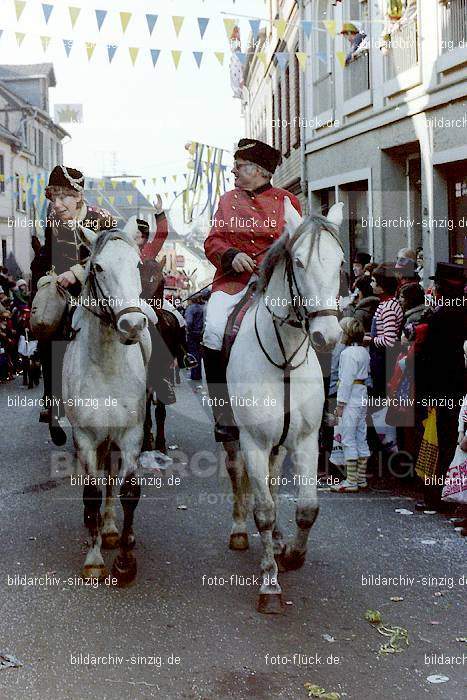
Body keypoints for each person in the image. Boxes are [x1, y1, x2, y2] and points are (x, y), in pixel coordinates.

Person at [202, 138, 302, 443]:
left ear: (259, 170)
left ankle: (313, 406)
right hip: (232, 282)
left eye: (240, 166)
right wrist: (231, 255)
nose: (234, 170)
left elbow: (297, 243)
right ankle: (224, 414)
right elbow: (213, 241)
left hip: (274, 283)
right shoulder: (227, 199)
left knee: (310, 322)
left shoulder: (288, 201)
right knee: (213, 330)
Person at [31, 165, 118, 445]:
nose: (56, 204)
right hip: (64, 291)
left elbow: (111, 258)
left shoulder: (101, 220)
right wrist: (46, 280)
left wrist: (78, 273)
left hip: (99, 290)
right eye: (53, 198)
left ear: (78, 195)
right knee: (47, 325)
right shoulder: (53, 221)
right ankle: (53, 398)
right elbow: (45, 257)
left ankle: (155, 384)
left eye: (63, 197)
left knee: (140, 322)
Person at [416, 262, 466, 509]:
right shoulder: (461, 311)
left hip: (440, 390)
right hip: (459, 389)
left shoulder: (440, 316)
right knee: (453, 441)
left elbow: (430, 360)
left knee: (439, 443)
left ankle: (437, 497)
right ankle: (454, 494)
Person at [365, 264, 404, 454]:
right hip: (381, 359)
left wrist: (369, 339)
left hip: (383, 361)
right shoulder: (387, 304)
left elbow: (389, 341)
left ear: (382, 285)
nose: (371, 284)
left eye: (374, 281)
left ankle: (388, 446)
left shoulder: (388, 307)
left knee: (380, 403)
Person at [330, 319, 371, 492]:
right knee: (361, 435)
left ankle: (351, 480)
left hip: (351, 396)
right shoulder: (363, 351)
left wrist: (340, 404)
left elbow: (345, 381)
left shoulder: (347, 354)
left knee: (348, 437)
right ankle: (360, 478)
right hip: (362, 393)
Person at [185, 295, 205, 382]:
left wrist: (188, 330)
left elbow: (189, 322)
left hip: (192, 333)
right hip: (200, 333)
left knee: (193, 354)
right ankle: (199, 374)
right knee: (199, 354)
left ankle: (194, 375)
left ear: (190, 300)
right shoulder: (202, 308)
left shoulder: (190, 308)